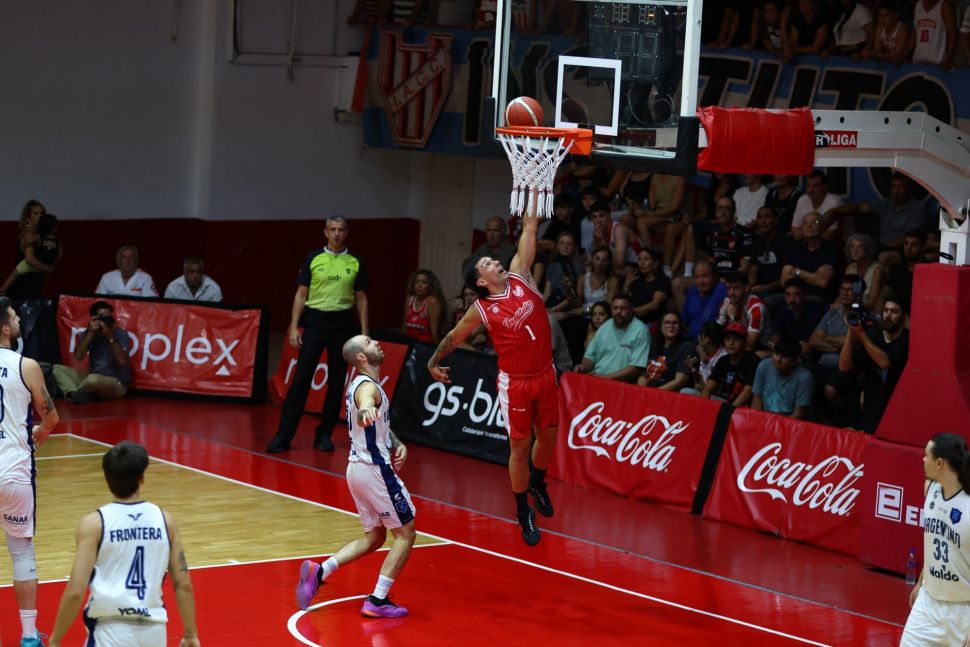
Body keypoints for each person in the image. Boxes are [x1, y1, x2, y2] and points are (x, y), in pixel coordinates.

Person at [428, 199, 557, 546]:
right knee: (520, 448)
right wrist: (432, 360)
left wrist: (535, 185)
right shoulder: (482, 309)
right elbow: (454, 337)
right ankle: (522, 512)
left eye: (493, 259)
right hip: (516, 383)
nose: (495, 261)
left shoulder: (521, 274)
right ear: (481, 281)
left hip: (546, 375)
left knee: (548, 440)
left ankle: (538, 482)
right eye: (487, 263)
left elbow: (530, 226)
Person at [296, 335, 415, 618]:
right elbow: (365, 408)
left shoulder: (361, 383)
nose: (376, 342)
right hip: (374, 471)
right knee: (406, 534)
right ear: (361, 357)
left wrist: (396, 442)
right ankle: (377, 600)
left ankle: (320, 571)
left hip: (356, 470)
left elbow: (376, 420)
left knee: (375, 536)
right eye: (369, 342)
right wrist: (365, 411)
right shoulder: (367, 388)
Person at [48, 442, 199, 647]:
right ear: (142, 478)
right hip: (154, 632)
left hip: (110, 631)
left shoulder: (93, 524)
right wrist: (190, 634)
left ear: (106, 479)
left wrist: (56, 639)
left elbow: (75, 590)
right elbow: (183, 584)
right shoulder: (166, 521)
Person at [266, 216, 369, 454]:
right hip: (315, 322)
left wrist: (364, 333)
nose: (336, 233)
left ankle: (324, 435)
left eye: (341, 229)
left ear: (346, 233)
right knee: (301, 379)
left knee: (336, 382)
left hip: (342, 324)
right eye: (332, 229)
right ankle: (283, 435)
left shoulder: (355, 261)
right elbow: (301, 295)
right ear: (325, 232)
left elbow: (362, 299)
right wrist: (294, 325)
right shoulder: (313, 259)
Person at [0, 297, 59, 647]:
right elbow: (51, 416)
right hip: (14, 470)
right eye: (13, 316)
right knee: (21, 553)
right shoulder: (27, 366)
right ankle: (27, 636)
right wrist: (43, 430)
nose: (19, 319)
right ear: (4, 329)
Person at [900, 432, 970, 647]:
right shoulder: (930, 489)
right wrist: (921, 582)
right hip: (928, 603)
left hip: (963, 610)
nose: (923, 459)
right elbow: (936, 543)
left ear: (939, 463)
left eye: (926, 455)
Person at [826, 294, 909, 432]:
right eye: (886, 310)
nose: (888, 315)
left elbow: (884, 362)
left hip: (896, 404)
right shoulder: (873, 335)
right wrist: (850, 335)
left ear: (904, 317)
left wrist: (861, 335)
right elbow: (844, 367)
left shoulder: (907, 340)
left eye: (894, 312)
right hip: (871, 402)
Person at [824, 173, 931, 266]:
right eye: (893, 187)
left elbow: (911, 237)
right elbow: (860, 207)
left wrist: (884, 246)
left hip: (905, 249)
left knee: (883, 257)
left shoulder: (918, 208)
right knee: (856, 252)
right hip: (881, 246)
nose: (896, 191)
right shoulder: (886, 203)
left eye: (901, 187)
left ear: (908, 189)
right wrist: (833, 211)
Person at [53, 300, 132, 404]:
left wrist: (110, 337)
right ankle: (74, 393)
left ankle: (78, 394)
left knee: (93, 380)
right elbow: (78, 357)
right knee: (57, 369)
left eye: (109, 317)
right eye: (103, 318)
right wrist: (90, 333)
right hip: (93, 378)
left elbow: (123, 361)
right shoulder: (89, 333)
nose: (107, 320)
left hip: (117, 383)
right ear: (94, 319)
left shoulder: (120, 334)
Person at [574, 294, 650, 382]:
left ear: (631, 310)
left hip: (621, 383)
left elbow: (636, 368)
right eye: (615, 308)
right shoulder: (604, 327)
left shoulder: (640, 331)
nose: (618, 311)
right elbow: (590, 357)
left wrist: (604, 378)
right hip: (597, 378)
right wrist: (583, 367)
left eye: (623, 308)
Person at [695, 321, 760, 406]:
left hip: (742, 406)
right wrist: (701, 406)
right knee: (687, 391)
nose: (731, 343)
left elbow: (748, 391)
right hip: (723, 402)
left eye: (736, 339)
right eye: (728, 339)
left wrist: (730, 410)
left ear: (744, 342)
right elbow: (708, 389)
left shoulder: (752, 360)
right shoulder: (723, 360)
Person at [751, 335, 815, 419]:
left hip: (788, 421)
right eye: (776, 354)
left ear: (795, 360)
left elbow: (798, 414)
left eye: (784, 357)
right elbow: (756, 402)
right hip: (765, 418)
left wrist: (778, 425)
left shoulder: (804, 377)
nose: (778, 359)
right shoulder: (764, 366)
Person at [780, 213, 838, 302]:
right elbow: (784, 280)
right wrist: (814, 276)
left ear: (822, 227)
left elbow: (822, 282)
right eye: (805, 223)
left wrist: (797, 272)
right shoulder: (795, 248)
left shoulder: (829, 249)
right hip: (793, 295)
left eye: (814, 222)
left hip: (819, 297)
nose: (809, 226)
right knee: (769, 301)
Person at [0, 213, 62, 297]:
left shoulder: (39, 237)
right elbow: (60, 254)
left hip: (32, 265)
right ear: (54, 228)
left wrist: (25, 243)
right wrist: (51, 265)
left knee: (16, 271)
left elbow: (30, 242)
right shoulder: (57, 240)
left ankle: (3, 289)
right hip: (44, 268)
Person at [638, 311, 694, 391]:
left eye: (675, 323)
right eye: (667, 323)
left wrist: (655, 393)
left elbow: (680, 381)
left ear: (680, 327)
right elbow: (643, 376)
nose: (671, 326)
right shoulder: (655, 345)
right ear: (660, 327)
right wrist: (642, 390)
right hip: (650, 391)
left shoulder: (687, 348)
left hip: (671, 394)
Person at [770, 278, 823, 356]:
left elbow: (809, 345)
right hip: (786, 350)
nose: (791, 299)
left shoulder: (814, 312)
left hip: (806, 353)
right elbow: (777, 337)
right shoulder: (781, 310)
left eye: (796, 295)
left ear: (805, 295)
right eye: (788, 294)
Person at [716, 272, 767, 351]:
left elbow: (749, 346)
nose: (731, 292)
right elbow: (716, 329)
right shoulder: (727, 302)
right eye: (728, 288)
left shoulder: (757, 308)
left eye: (736, 288)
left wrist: (734, 319)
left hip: (761, 347)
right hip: (738, 346)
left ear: (746, 288)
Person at [681, 259, 728, 340]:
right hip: (691, 339)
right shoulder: (692, 290)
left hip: (713, 341)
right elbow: (684, 320)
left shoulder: (722, 290)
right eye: (697, 277)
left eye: (705, 276)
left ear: (714, 277)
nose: (701, 281)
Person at [791, 170, 843, 241]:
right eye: (808, 186)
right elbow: (795, 229)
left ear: (824, 187)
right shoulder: (802, 200)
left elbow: (829, 236)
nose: (810, 190)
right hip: (805, 244)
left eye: (815, 186)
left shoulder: (834, 203)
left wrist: (807, 237)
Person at [886, 230, 928, 313]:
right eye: (906, 243)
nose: (908, 248)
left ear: (923, 247)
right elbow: (885, 293)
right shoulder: (898, 269)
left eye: (914, 245)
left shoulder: (929, 271)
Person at [401, 268, 446, 344]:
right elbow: (404, 326)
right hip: (408, 343)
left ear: (430, 285)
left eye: (424, 282)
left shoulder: (432, 302)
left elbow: (434, 332)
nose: (419, 285)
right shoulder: (409, 299)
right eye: (417, 282)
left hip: (424, 345)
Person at [843, 233, 887, 311]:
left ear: (867, 250)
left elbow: (871, 303)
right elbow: (843, 294)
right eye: (852, 247)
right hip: (849, 308)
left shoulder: (877, 270)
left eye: (859, 247)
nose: (855, 251)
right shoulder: (849, 268)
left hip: (867, 311)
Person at [909, 0, 957, 70]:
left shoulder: (944, 6)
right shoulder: (918, 5)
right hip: (918, 62)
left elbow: (952, 34)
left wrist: (949, 59)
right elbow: (915, 32)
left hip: (938, 64)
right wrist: (904, 55)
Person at [862, 0, 910, 65]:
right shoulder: (880, 28)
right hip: (890, 64)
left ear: (895, 16)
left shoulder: (902, 28)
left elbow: (897, 54)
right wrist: (869, 53)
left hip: (905, 65)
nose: (882, 19)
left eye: (886, 15)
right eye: (880, 16)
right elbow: (877, 50)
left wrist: (874, 54)